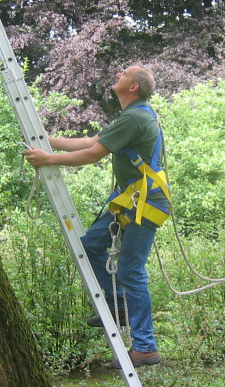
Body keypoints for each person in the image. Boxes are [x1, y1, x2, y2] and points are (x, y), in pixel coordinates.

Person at [24, 65, 169, 369]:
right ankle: (118, 304)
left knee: (131, 269)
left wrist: (48, 160)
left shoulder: (135, 117)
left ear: (134, 87)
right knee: (89, 245)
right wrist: (50, 142)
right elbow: (93, 142)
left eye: (125, 73)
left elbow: (93, 155)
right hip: (132, 200)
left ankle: (145, 346)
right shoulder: (135, 115)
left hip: (143, 204)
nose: (118, 74)